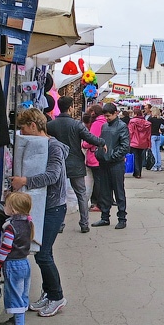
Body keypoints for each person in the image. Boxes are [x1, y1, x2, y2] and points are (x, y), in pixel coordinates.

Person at [10, 108, 69, 317]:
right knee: (45, 253)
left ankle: (57, 297)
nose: (22, 133)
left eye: (23, 128)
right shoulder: (43, 145)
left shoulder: (54, 147)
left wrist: (24, 181)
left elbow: (52, 176)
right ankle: (49, 292)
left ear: (33, 126)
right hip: (45, 206)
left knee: (43, 254)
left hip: (54, 207)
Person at [48, 96, 105, 233]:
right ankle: (84, 223)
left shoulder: (51, 125)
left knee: (59, 195)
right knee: (81, 193)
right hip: (75, 162)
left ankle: (59, 224)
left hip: (58, 162)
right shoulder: (76, 125)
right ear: (71, 107)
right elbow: (90, 138)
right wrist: (102, 142)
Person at [0, 192, 34, 325]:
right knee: (22, 294)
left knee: (14, 294)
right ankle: (17, 319)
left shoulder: (10, 227)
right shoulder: (27, 222)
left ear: (14, 210)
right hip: (24, 262)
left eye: (6, 205)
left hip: (13, 264)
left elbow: (5, 248)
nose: (4, 207)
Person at [92, 102, 129, 229]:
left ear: (115, 113)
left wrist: (112, 156)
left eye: (109, 116)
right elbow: (102, 142)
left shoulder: (122, 126)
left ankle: (122, 218)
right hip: (105, 162)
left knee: (119, 191)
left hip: (115, 164)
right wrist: (100, 154)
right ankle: (105, 217)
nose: (107, 118)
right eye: (105, 116)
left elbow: (125, 146)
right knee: (104, 192)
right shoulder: (104, 126)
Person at [82, 101, 107, 213]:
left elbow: (91, 139)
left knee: (97, 181)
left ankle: (97, 203)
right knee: (101, 179)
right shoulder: (105, 121)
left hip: (95, 155)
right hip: (103, 154)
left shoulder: (97, 124)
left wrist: (83, 144)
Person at [128, 109, 151, 178]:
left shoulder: (132, 122)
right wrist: (149, 143)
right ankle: (139, 172)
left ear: (135, 114)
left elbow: (130, 132)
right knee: (140, 158)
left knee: (135, 157)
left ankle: (137, 172)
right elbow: (148, 134)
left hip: (134, 142)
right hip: (143, 142)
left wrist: (128, 140)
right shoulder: (146, 123)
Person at [148, 107, 164, 171]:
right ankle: (159, 165)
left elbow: (146, 125)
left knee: (154, 151)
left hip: (152, 136)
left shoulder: (151, 119)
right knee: (158, 151)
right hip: (158, 135)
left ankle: (154, 165)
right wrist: (162, 130)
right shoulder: (160, 119)